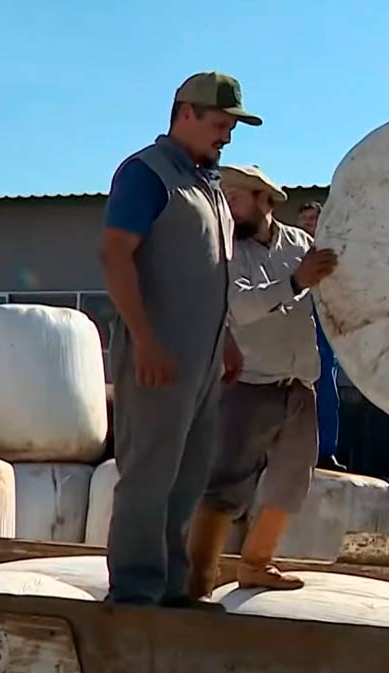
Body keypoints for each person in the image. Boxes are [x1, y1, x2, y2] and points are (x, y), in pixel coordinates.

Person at [99, 71, 255, 608]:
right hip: (158, 357)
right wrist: (144, 340)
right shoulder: (147, 175)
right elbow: (115, 254)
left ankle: (170, 587)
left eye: (232, 126)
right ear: (185, 113)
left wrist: (226, 339)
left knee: (187, 479)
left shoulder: (206, 184)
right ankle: (135, 593)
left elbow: (211, 273)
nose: (227, 136)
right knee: (149, 476)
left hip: (204, 359)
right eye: (219, 123)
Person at [186, 165, 338, 597]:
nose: (228, 208)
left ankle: (256, 563)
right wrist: (296, 282)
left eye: (236, 198)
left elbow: (328, 293)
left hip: (298, 382)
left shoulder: (300, 244)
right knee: (226, 483)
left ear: (265, 201)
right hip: (249, 382)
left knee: (292, 479)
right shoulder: (226, 251)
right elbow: (241, 306)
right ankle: (198, 579)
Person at [298, 201, 346, 471]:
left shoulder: (333, 251)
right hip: (297, 319)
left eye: (313, 219)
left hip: (325, 322)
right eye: (304, 218)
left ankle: (326, 450)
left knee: (326, 387)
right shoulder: (291, 250)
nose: (308, 223)